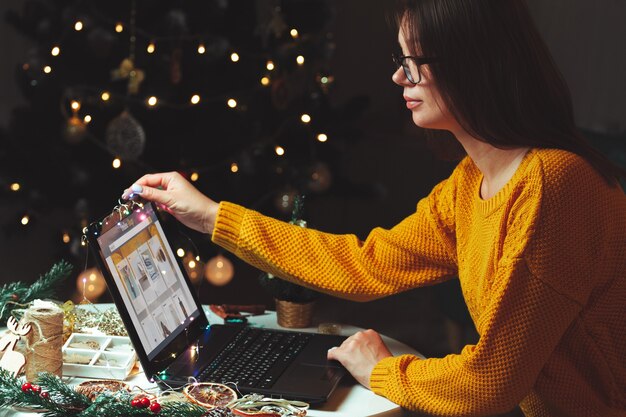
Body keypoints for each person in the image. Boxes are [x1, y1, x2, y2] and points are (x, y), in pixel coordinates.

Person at [122, 0, 626, 415]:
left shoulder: (553, 187)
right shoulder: (472, 182)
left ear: (468, 64)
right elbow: (364, 264)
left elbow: (487, 386)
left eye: (411, 63)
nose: (397, 78)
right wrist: (212, 216)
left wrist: (380, 369)